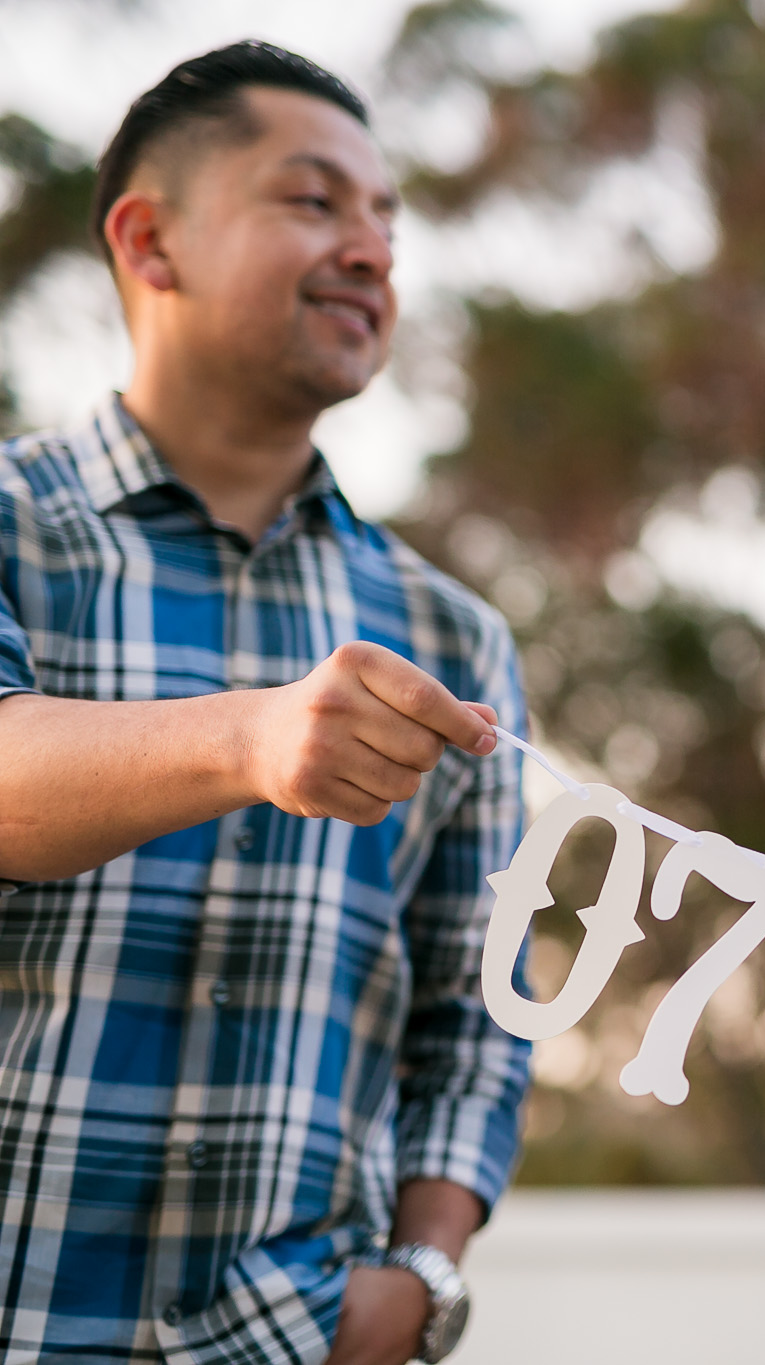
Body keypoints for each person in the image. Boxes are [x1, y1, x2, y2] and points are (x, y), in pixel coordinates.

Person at [0, 42, 529, 1365]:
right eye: (313, 201)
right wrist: (250, 736)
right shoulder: (10, 525)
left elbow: (476, 1016)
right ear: (150, 241)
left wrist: (417, 1286)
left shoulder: (453, 636)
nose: (371, 250)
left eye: (386, 220)